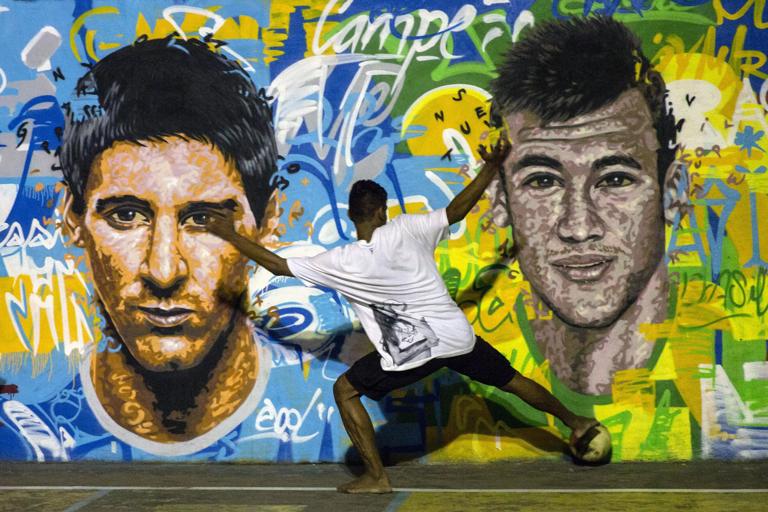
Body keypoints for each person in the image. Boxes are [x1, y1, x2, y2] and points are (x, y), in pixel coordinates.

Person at [206, 137, 604, 493]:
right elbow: (457, 209)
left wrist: (231, 235)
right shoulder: (408, 229)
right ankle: (578, 423)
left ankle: (377, 478)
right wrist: (491, 168)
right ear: (381, 211)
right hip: (455, 338)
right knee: (512, 381)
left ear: (353, 216)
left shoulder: (341, 261)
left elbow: (278, 266)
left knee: (345, 390)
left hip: (413, 352)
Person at [58, 36, 277, 451]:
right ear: (73, 218)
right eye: (125, 215)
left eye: (204, 219)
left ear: (267, 221)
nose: (163, 270)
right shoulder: (31, 428)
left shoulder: (326, 401)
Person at [487, 16, 683, 395]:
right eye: (543, 181)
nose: (578, 227)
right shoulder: (471, 357)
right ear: (501, 201)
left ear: (672, 194)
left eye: (615, 180)